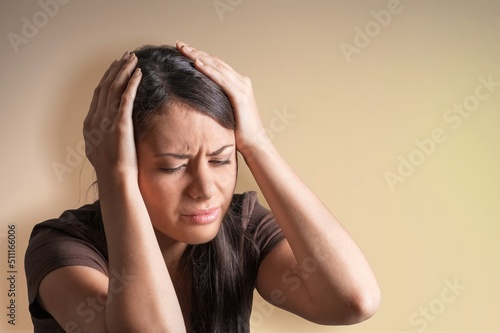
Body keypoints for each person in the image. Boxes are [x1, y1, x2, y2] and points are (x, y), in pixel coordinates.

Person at [25, 41, 380, 333]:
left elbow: (353, 300)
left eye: (222, 160)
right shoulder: (61, 249)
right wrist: (115, 177)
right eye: (173, 166)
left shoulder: (243, 228)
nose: (205, 188)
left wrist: (258, 144)